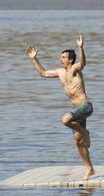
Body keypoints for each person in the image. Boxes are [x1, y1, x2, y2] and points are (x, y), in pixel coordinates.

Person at [26, 33, 95, 180]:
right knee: (78, 142)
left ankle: (86, 133)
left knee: (65, 120)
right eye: (61, 57)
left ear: (70, 59)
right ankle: (89, 169)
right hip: (77, 111)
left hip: (85, 106)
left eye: (63, 57)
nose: (60, 60)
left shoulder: (75, 69)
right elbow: (43, 73)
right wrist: (34, 59)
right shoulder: (60, 72)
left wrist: (81, 48)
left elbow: (83, 64)